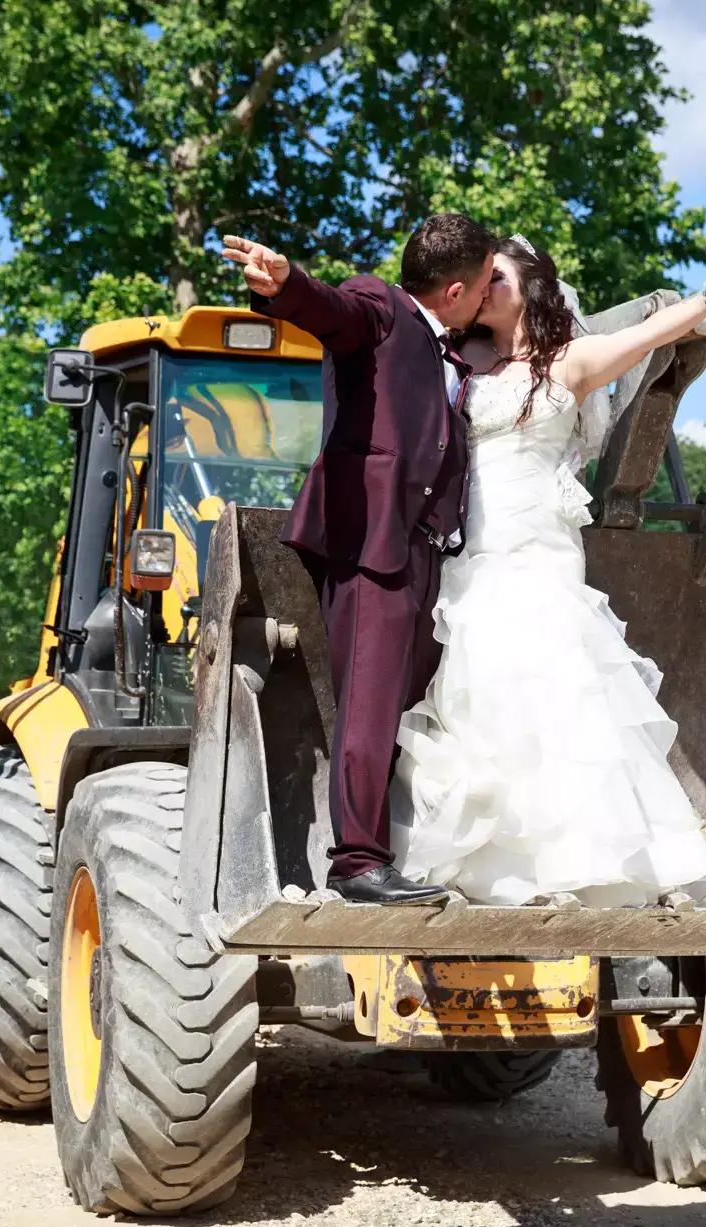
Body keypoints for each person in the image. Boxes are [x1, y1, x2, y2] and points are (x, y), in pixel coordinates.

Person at [389, 235, 706, 906]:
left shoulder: (571, 363)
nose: (479, 285)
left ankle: (573, 866)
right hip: (475, 556)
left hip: (540, 553)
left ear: (528, 285)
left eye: (493, 275)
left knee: (560, 698)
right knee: (483, 695)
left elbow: (649, 334)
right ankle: (503, 870)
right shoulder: (462, 362)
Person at [221, 214, 495, 905]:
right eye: (488, 280)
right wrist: (286, 287)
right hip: (372, 543)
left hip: (422, 554)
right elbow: (334, 311)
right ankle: (355, 862)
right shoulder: (381, 305)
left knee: (411, 710)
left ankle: (402, 846)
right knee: (368, 707)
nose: (491, 292)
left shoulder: (454, 350)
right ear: (457, 289)